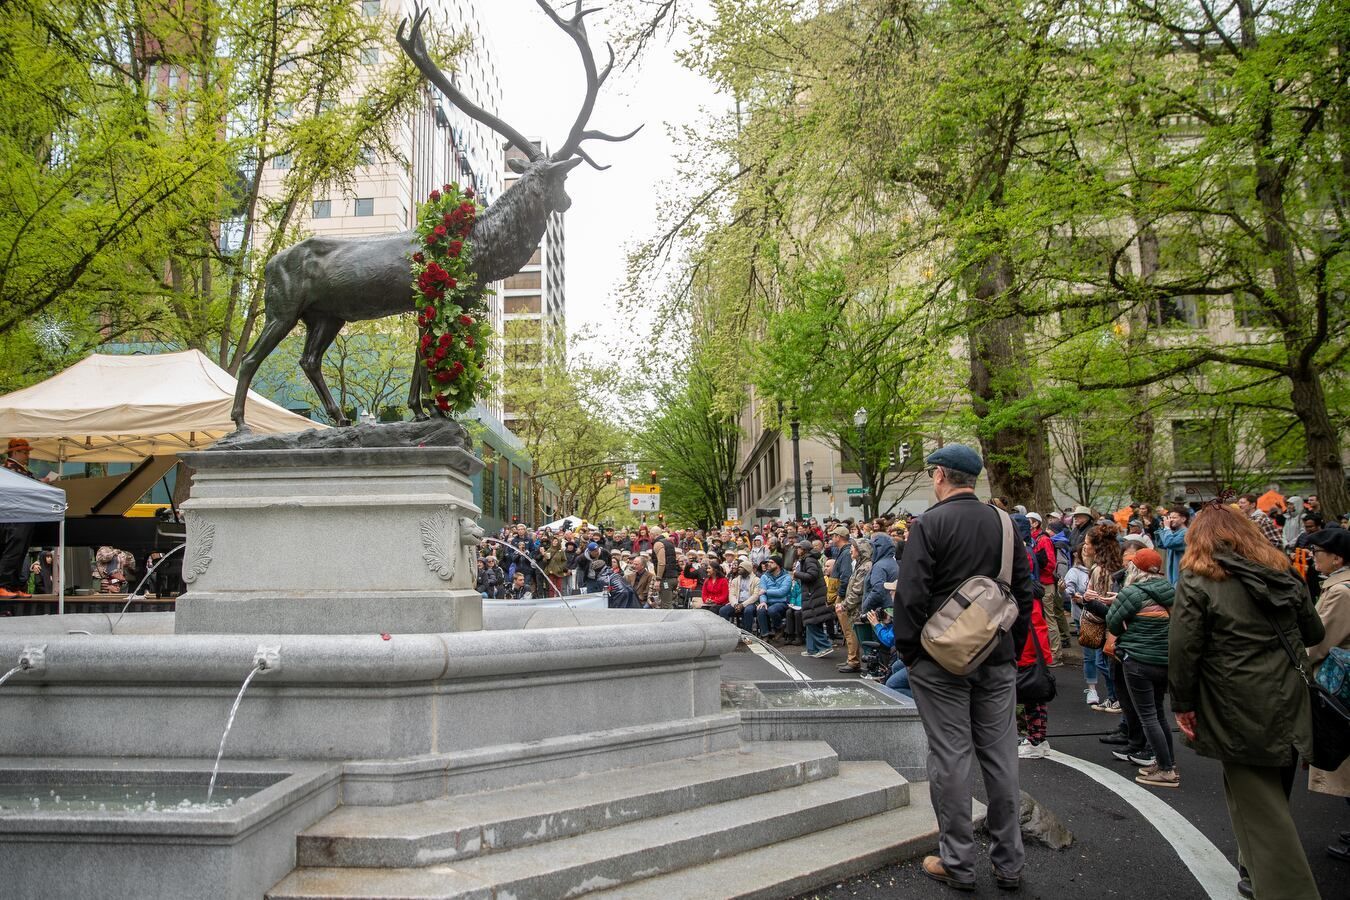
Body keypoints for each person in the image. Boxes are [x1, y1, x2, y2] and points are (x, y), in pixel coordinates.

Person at [893, 445, 1033, 892]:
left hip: (939, 659)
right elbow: (1024, 594)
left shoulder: (930, 524)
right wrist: (1010, 645)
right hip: (997, 654)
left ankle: (958, 861)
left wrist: (911, 653)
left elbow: (911, 595)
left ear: (939, 476)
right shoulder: (1005, 523)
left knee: (950, 758)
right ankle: (1010, 863)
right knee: (1001, 758)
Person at [1170, 504, 1323, 900]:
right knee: (1263, 793)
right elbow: (1313, 630)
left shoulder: (1198, 578)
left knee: (1261, 803)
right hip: (1289, 693)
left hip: (1235, 699)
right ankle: (1254, 871)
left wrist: (1182, 703)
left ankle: (1287, 890)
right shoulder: (1283, 570)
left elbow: (1184, 648)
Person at [1089, 549, 1177, 787]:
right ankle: (1165, 762)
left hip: (1138, 659)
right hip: (1165, 659)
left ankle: (1166, 769)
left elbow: (1113, 622)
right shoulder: (1171, 591)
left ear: (1135, 569)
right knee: (1158, 713)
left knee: (1147, 715)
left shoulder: (1133, 593)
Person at [1304, 527, 1350, 856]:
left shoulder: (1341, 593)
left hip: (1340, 684)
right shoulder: (1337, 587)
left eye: (1318, 552)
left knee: (1342, 751)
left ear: (1337, 558)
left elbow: (1320, 641)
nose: (1313, 556)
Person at [0, 438, 57, 599]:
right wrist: (41, 483)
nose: (27, 455)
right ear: (14, 452)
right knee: (13, 551)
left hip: (24, 516)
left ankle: (14, 586)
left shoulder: (19, 469)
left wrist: (41, 482)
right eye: (24, 452)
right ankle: (3, 585)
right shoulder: (8, 469)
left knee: (20, 552)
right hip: (14, 518)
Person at [836, 537, 873, 674]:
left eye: (854, 547)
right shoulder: (860, 565)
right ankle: (852, 660)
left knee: (856, 635)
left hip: (857, 608)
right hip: (854, 607)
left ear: (861, 550)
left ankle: (855, 662)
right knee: (852, 634)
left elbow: (858, 591)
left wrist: (844, 605)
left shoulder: (865, 567)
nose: (851, 550)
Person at [796, 540, 833, 658]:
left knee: (812, 621)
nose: (797, 550)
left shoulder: (809, 559)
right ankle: (812, 649)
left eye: (799, 548)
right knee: (811, 622)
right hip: (812, 594)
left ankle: (825, 646)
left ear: (804, 550)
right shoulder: (807, 559)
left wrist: (796, 574)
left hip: (813, 594)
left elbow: (812, 575)